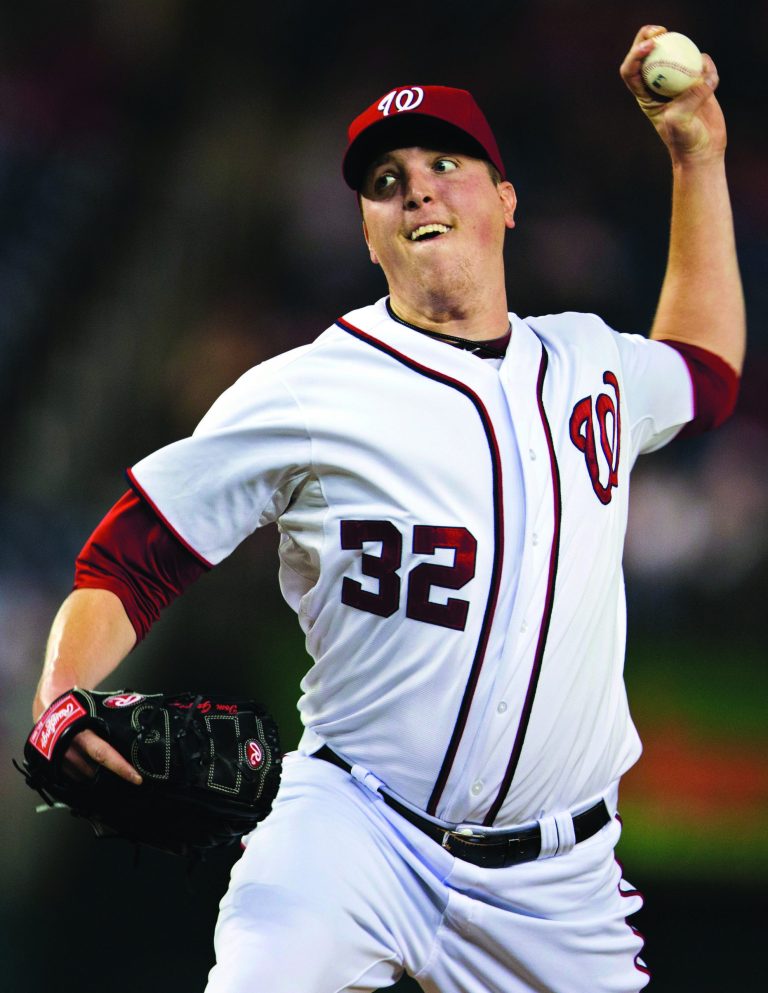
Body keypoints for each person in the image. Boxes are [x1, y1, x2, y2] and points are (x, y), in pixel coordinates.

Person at [33, 25, 745, 993]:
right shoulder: (304, 391)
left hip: (558, 881)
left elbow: (706, 371)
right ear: (369, 233)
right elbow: (130, 561)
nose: (415, 186)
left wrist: (695, 152)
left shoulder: (592, 363)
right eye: (384, 180)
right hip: (356, 829)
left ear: (505, 200)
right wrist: (60, 697)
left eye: (445, 163)